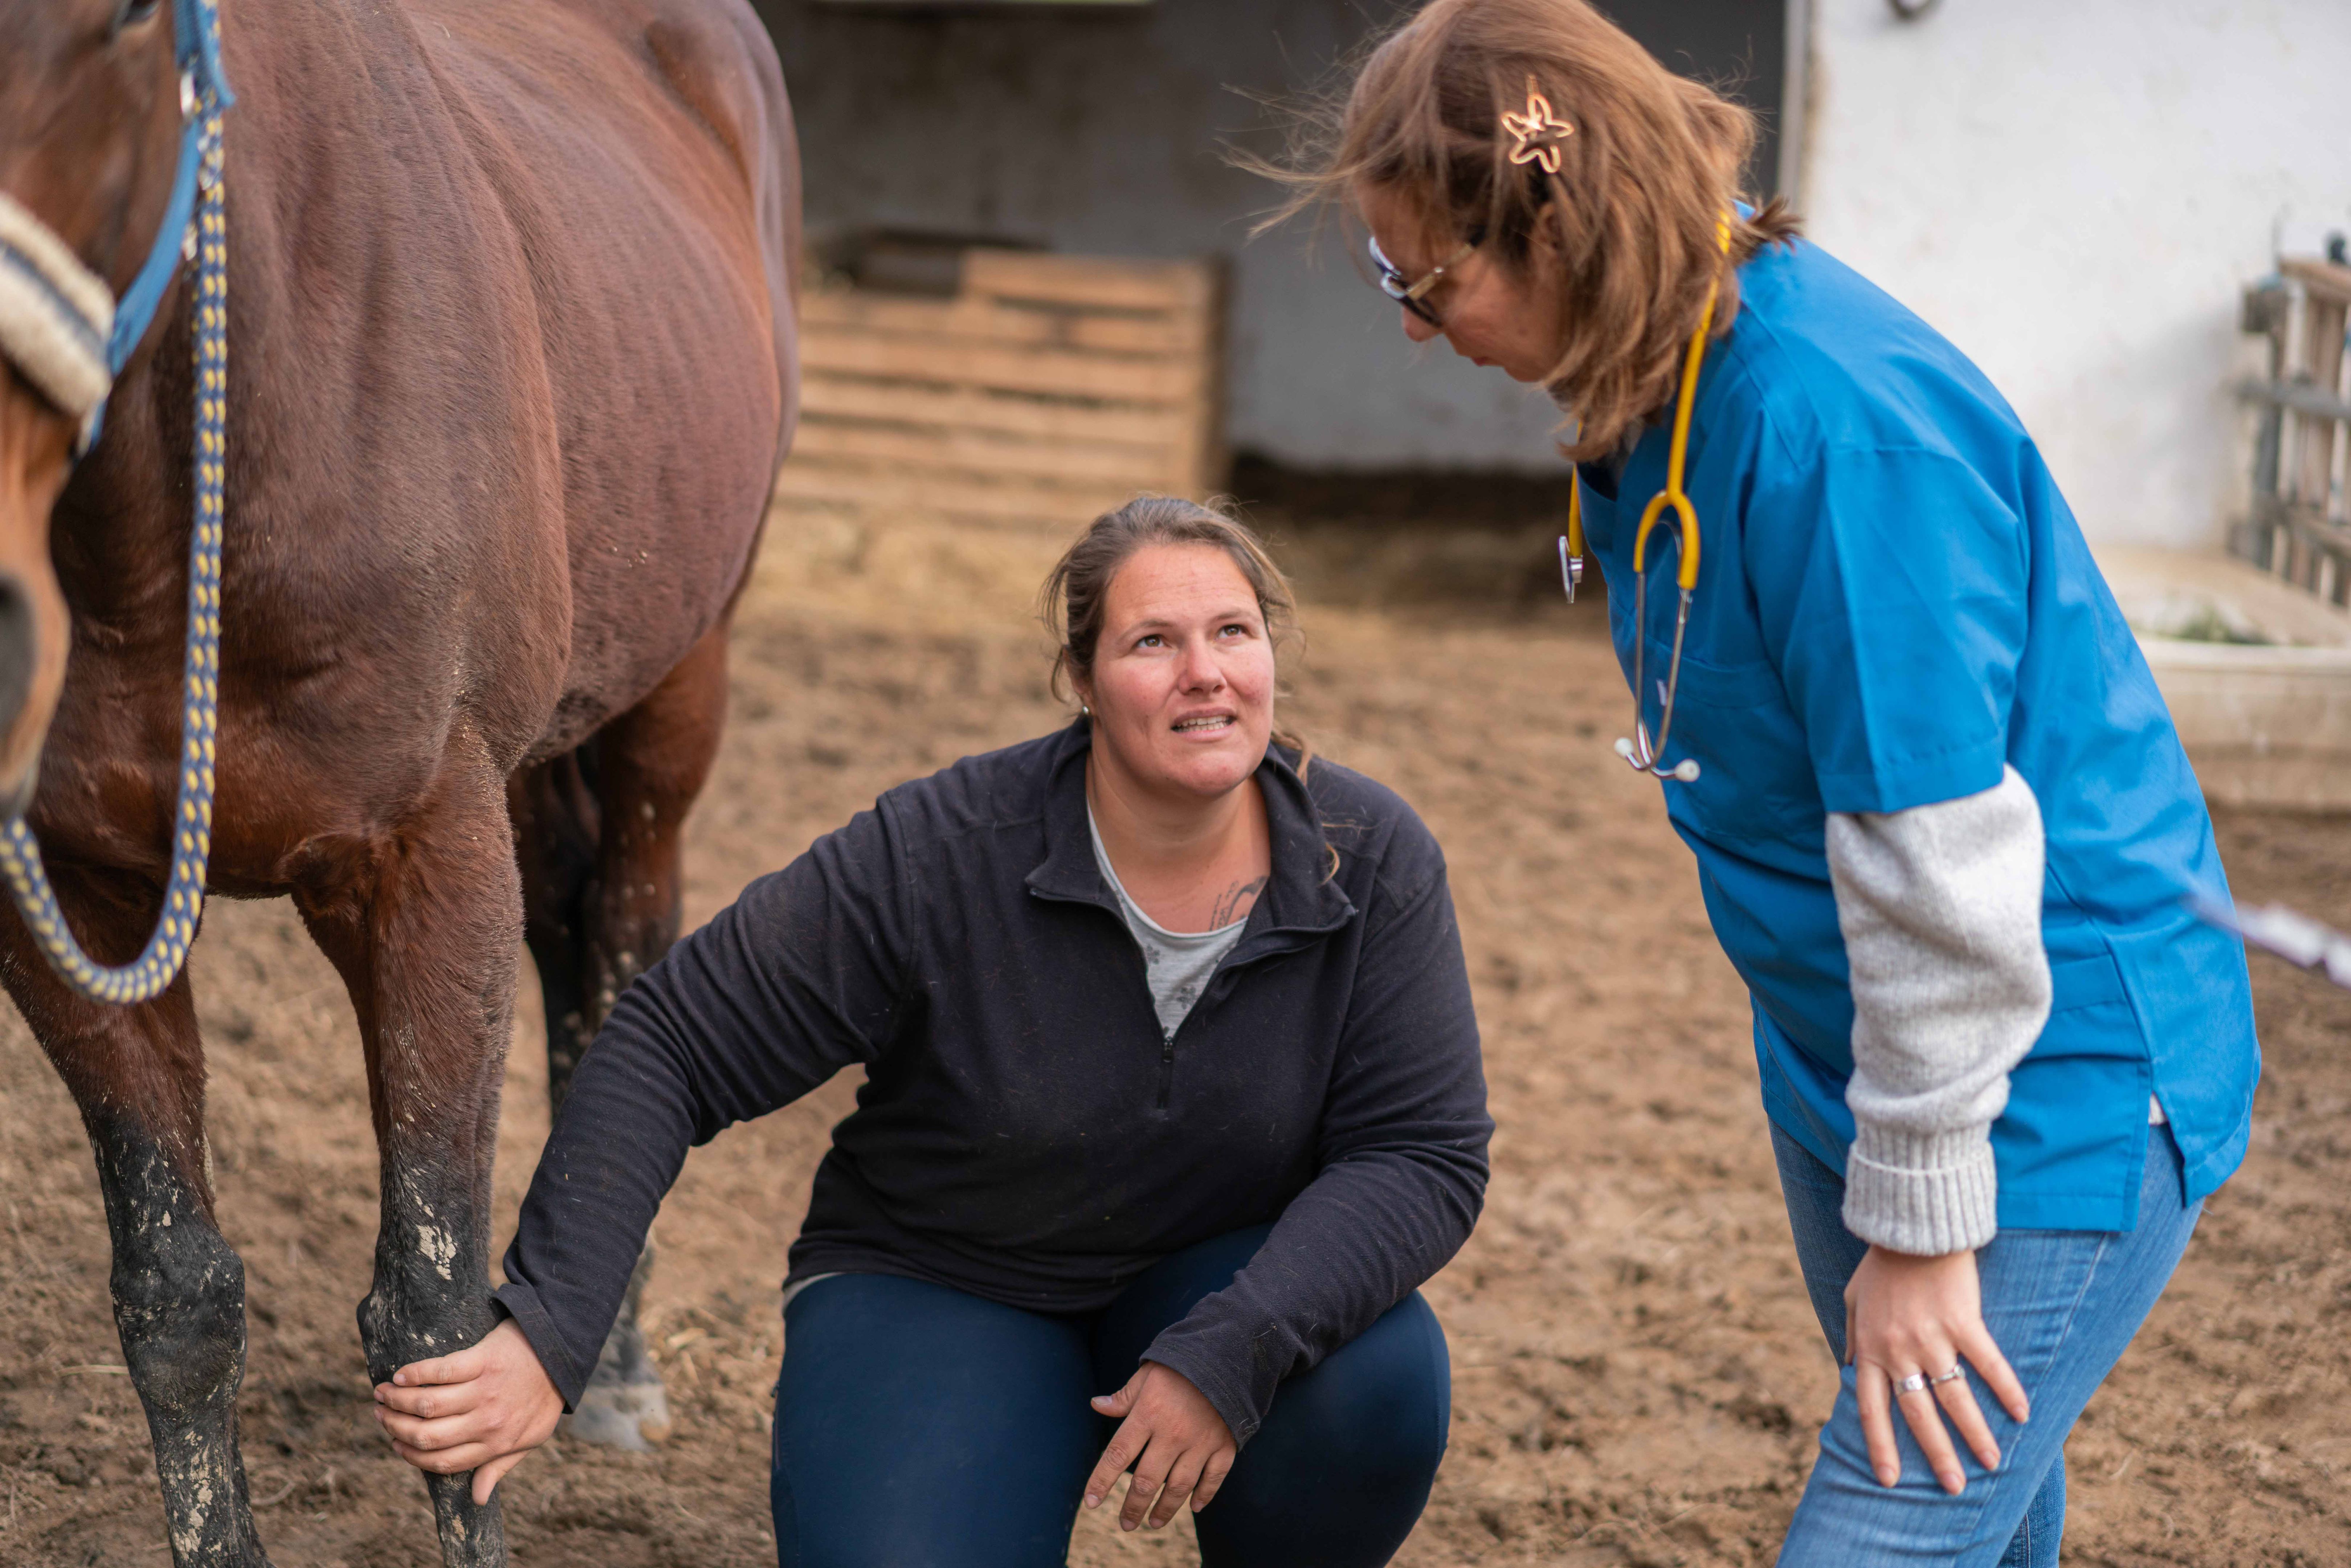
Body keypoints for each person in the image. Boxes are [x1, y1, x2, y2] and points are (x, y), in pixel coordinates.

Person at [1260, 1, 2261, 1564]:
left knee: (1884, 1526)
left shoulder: (1832, 430)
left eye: (1423, 279)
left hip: (2041, 1066)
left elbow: (1938, 852)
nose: (1408, 322)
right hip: (1854, 1044)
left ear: (1557, 231)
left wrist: (1927, 1222)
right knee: (1981, 1501)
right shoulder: (1657, 372)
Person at [368, 497, 1492, 1568]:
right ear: (1084, 680)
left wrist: (1239, 1345)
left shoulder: (1367, 854)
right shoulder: (944, 850)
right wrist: (553, 1324)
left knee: (1374, 1383)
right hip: (948, 1279)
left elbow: (1422, 1155)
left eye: (1233, 632)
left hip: (1218, 1274)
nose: (1205, 672)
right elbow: (674, 1038)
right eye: (1153, 641)